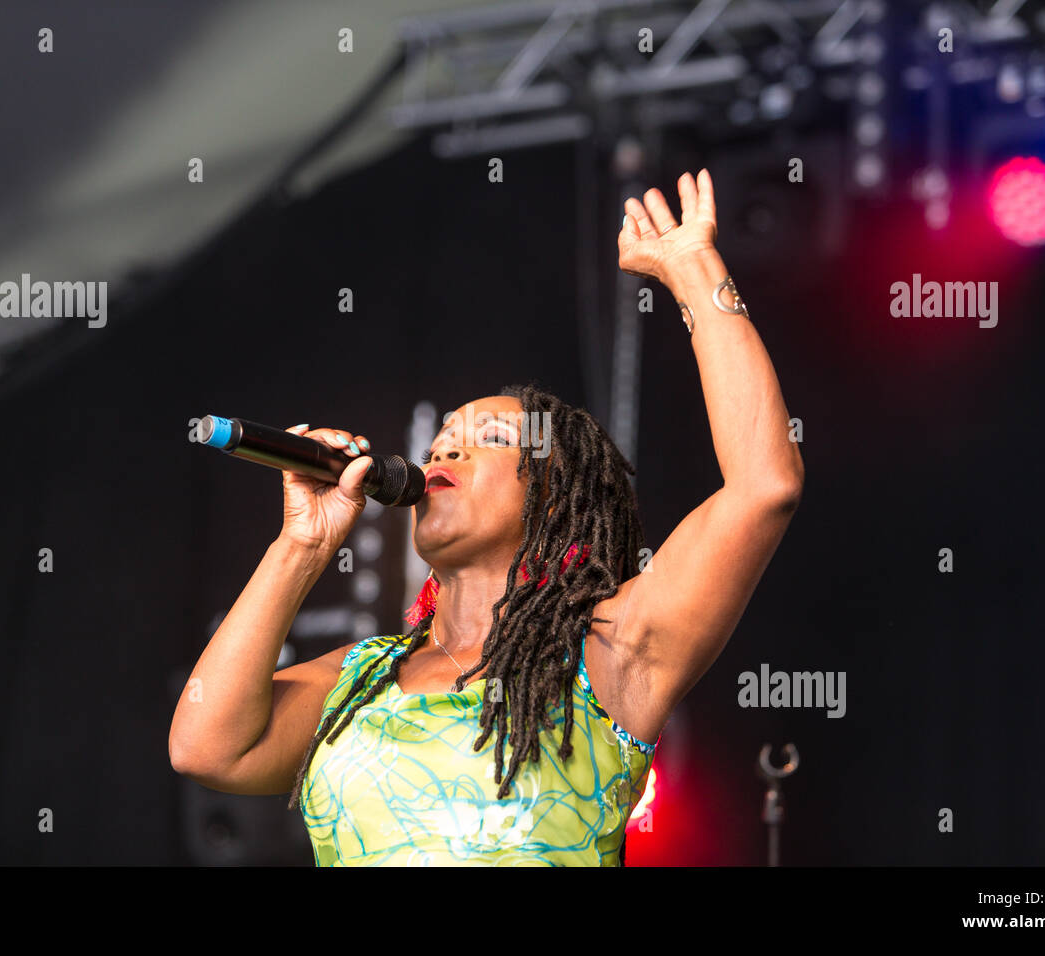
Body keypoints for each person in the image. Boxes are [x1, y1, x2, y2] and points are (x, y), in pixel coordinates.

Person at [169, 169, 804, 865]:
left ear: (555, 500)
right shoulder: (361, 677)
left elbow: (763, 486)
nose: (446, 448)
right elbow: (208, 749)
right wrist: (303, 543)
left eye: (491, 441)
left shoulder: (612, 652)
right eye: (443, 439)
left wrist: (693, 273)